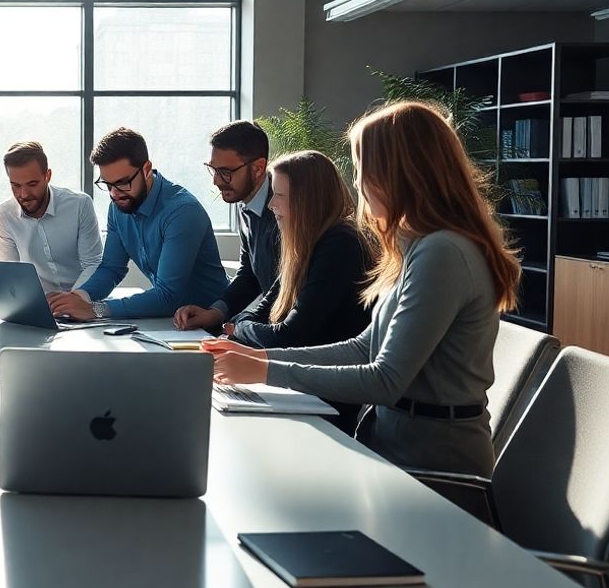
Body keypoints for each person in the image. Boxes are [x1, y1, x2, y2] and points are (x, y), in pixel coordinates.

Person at [205, 102, 521, 476]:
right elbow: (363, 347)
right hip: (394, 447)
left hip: (435, 467)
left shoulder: (442, 253)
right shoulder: (418, 247)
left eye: (361, 169)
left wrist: (264, 371)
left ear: (397, 174)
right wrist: (259, 360)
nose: (355, 183)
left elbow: (385, 380)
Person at [225, 150, 374, 432]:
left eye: (278, 195)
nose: (270, 205)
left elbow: (291, 335)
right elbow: (263, 308)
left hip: (331, 403)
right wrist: (240, 325)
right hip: (304, 391)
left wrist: (239, 328)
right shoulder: (307, 245)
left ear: (306, 200)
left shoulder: (340, 244)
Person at [48, 128, 227, 321]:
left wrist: (95, 310)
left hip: (212, 323)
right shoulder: (118, 206)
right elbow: (111, 267)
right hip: (171, 322)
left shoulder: (182, 212)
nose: (114, 194)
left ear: (146, 169)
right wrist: (77, 299)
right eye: (108, 185)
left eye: (123, 183)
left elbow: (167, 295)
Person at [175, 121, 279, 332]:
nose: (216, 181)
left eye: (225, 172)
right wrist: (214, 313)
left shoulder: (283, 211)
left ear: (258, 168)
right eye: (213, 170)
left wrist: (241, 326)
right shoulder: (246, 205)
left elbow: (285, 289)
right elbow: (249, 274)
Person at [0, 140, 103, 293]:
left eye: (32, 184)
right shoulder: (5, 215)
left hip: (84, 298)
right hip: (39, 305)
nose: (23, 194)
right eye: (16, 185)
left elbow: (93, 263)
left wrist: (74, 299)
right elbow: (10, 275)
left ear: (47, 176)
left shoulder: (80, 205)